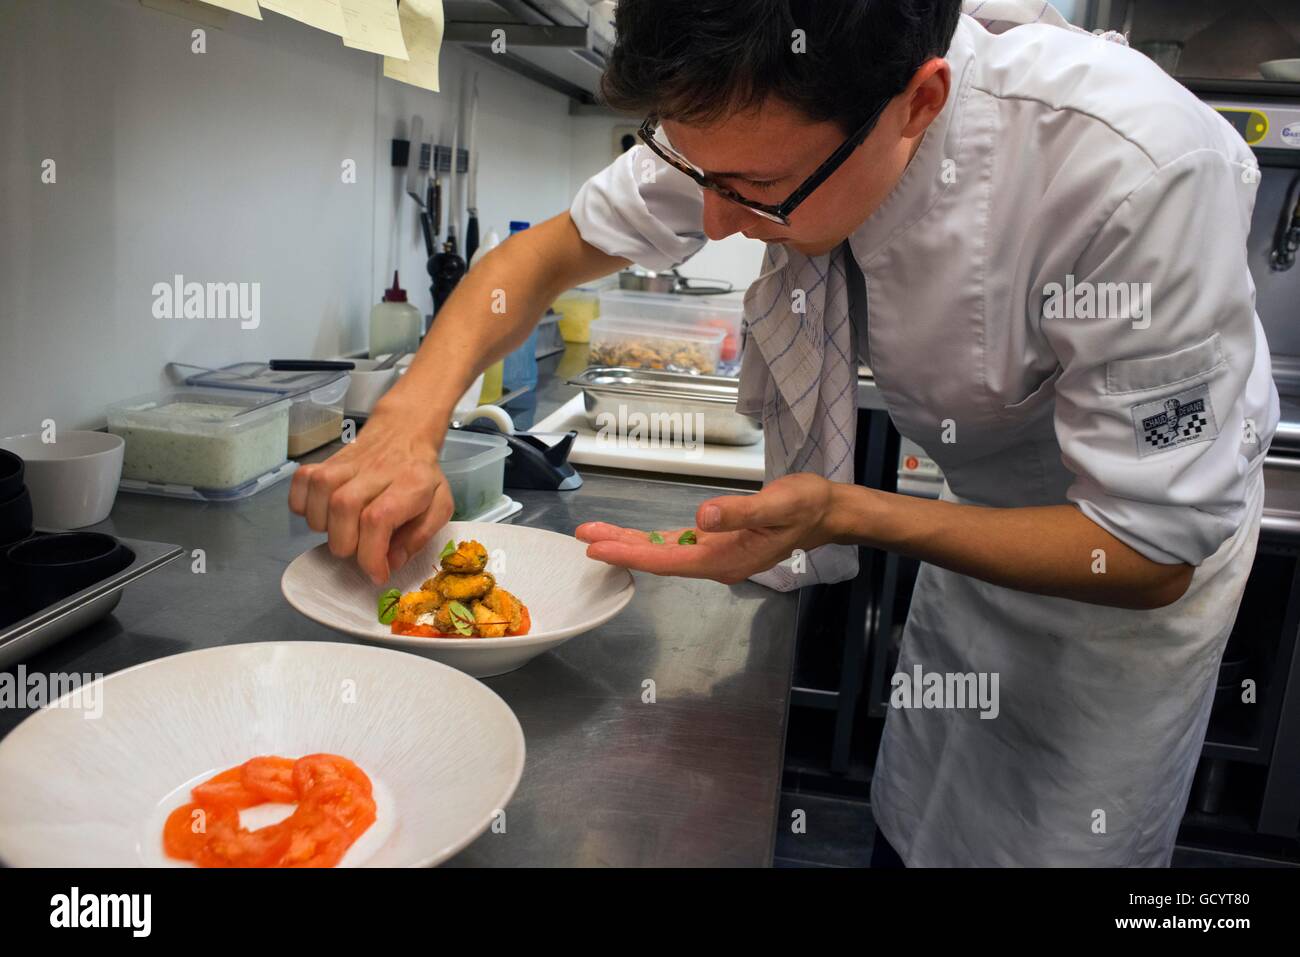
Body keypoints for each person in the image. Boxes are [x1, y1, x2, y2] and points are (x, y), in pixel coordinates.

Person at [290, 0, 1278, 866]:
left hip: (1117, 588)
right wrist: (404, 426)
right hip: (979, 535)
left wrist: (848, 510)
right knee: (915, 817)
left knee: (1053, 842)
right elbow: (542, 256)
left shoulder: (1130, 168)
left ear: (920, 102)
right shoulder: (765, 108)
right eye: (697, 173)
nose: (714, 220)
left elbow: (1149, 549)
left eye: (755, 190)